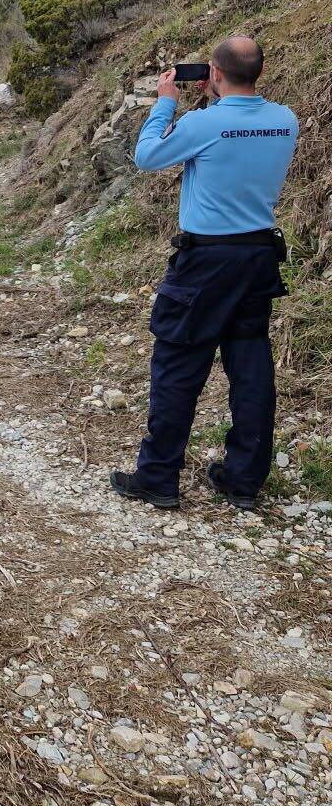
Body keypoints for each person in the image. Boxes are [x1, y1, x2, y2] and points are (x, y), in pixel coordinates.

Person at [111, 36, 298, 512]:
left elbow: (148, 156)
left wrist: (164, 105)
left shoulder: (202, 122)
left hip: (206, 262)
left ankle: (157, 477)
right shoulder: (284, 121)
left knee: (178, 366)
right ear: (258, 71)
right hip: (258, 259)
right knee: (251, 368)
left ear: (213, 73)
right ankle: (243, 481)